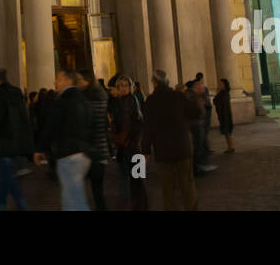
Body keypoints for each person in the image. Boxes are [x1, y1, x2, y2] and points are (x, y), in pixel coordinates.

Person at [34, 70, 92, 211]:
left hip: (68, 154)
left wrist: (40, 148)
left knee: (72, 201)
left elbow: (51, 127)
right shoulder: (84, 99)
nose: (55, 82)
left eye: (58, 79)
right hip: (83, 154)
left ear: (68, 81)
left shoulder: (63, 101)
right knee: (74, 198)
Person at [143, 70, 198, 211]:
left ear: (154, 82)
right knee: (187, 185)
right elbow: (195, 113)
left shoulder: (150, 101)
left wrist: (145, 150)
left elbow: (147, 127)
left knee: (168, 189)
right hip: (182, 147)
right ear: (167, 81)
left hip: (163, 150)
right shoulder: (178, 96)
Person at [0, 68, 32, 211]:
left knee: (8, 177)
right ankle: (2, 205)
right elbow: (24, 118)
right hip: (16, 140)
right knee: (7, 175)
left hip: (3, 141)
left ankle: (17, 204)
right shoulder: (16, 92)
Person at [109, 75, 147, 210]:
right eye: (121, 86)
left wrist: (126, 137)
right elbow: (116, 122)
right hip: (124, 147)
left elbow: (138, 123)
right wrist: (115, 135)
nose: (124, 88)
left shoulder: (132, 100)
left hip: (134, 146)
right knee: (132, 180)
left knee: (138, 180)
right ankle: (137, 205)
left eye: (126, 85)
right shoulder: (119, 102)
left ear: (130, 87)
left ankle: (141, 206)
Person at [77, 72, 111, 210]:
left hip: (91, 152)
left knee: (85, 191)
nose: (77, 82)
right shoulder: (101, 97)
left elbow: (88, 126)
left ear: (87, 81)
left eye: (79, 80)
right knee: (97, 191)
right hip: (100, 151)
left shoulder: (89, 101)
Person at [213, 79, 235, 153]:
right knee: (226, 132)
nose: (219, 85)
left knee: (227, 132)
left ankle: (231, 147)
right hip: (223, 114)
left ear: (225, 85)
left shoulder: (224, 94)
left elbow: (222, 104)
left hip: (225, 115)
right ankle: (230, 147)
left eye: (221, 84)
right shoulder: (222, 93)